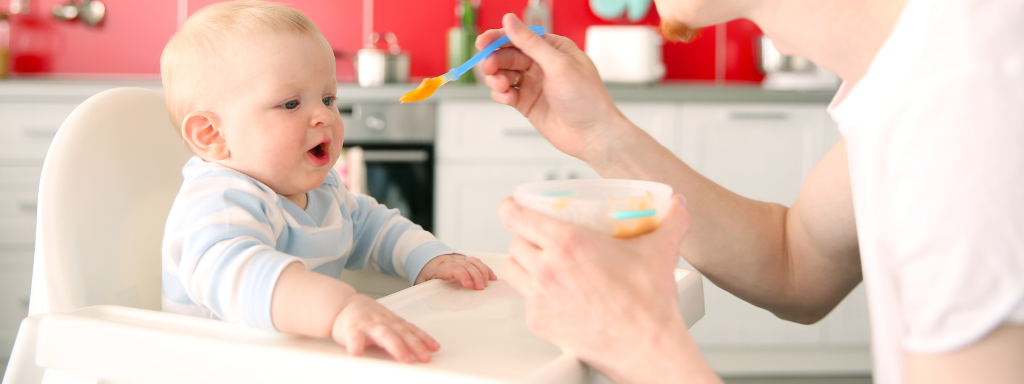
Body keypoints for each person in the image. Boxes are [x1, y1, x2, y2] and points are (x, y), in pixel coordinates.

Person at [477, 0, 1024, 381]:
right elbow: (795, 262)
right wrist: (601, 134)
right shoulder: (919, 65)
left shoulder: (971, 101)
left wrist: (642, 346)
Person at [158, 1, 496, 364]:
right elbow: (245, 275)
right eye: (290, 104)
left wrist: (429, 258)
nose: (323, 116)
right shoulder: (219, 202)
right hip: (214, 368)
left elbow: (370, 227)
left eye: (328, 98)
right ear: (212, 134)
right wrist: (340, 310)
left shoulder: (320, 191)